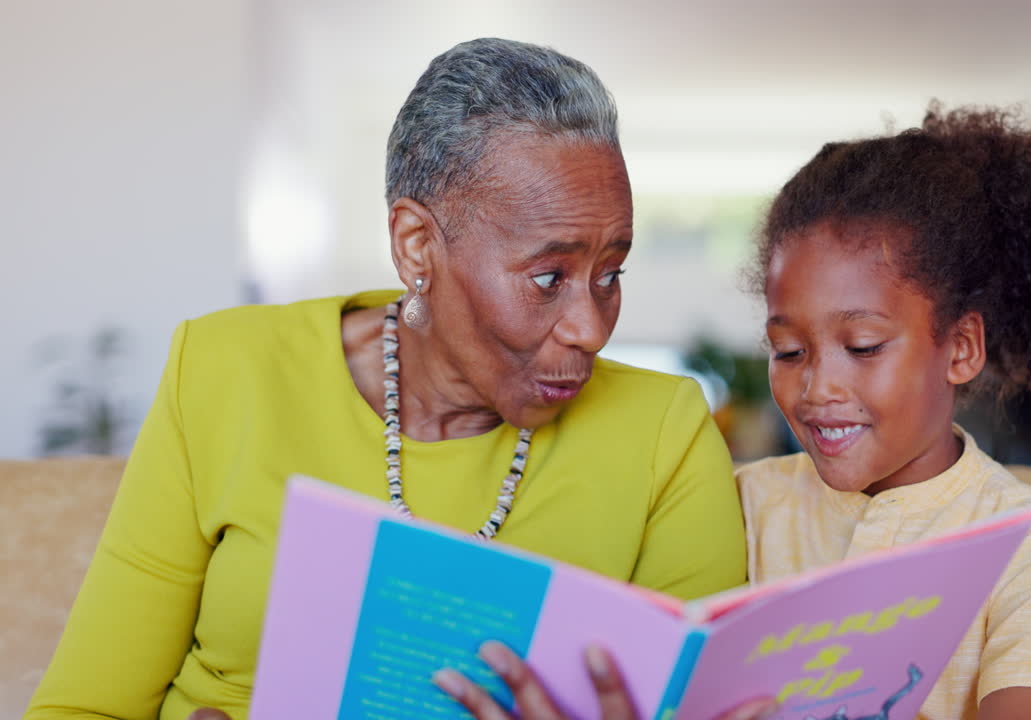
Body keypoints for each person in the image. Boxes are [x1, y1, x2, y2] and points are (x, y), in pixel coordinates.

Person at [23, 38, 746, 720]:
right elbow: (82, 706)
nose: (590, 327)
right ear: (416, 245)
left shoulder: (665, 431)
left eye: (610, 273)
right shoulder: (224, 372)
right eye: (548, 276)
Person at [735, 103, 1031, 720]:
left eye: (863, 347)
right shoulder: (741, 505)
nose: (816, 387)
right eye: (788, 350)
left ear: (961, 348)